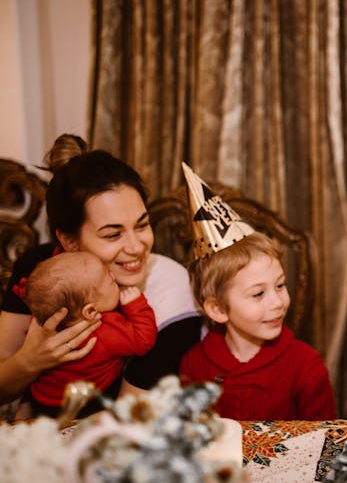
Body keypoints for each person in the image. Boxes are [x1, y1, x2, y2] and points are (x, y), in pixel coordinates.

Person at [0, 134, 201, 410]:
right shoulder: (37, 270)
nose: (136, 247)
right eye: (112, 234)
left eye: (142, 225)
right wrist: (29, 361)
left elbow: (124, 421)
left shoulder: (173, 298)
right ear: (68, 241)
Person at [178, 163, 336, 420]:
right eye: (258, 294)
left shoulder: (306, 366)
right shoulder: (194, 365)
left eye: (280, 285)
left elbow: (324, 440)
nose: (278, 302)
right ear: (218, 308)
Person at [21, 251, 157, 417]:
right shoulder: (105, 330)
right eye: (112, 282)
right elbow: (143, 341)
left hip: (42, 398)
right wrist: (136, 305)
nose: (114, 276)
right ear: (91, 311)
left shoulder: (43, 323)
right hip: (86, 404)